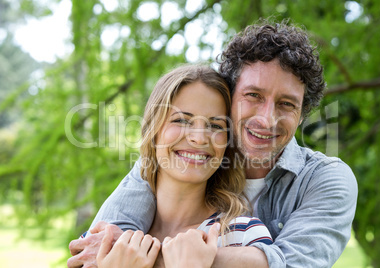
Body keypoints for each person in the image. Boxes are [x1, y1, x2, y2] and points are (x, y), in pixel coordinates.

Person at [68, 20, 358, 268]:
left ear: (301, 114)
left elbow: (292, 263)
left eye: (286, 104)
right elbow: (102, 245)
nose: (267, 119)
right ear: (228, 99)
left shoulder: (325, 179)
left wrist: (163, 258)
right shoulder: (177, 161)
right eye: (254, 96)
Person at [88, 64, 273, 268]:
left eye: (215, 125)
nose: (199, 138)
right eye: (182, 120)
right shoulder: (106, 240)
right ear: (153, 132)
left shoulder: (241, 237)